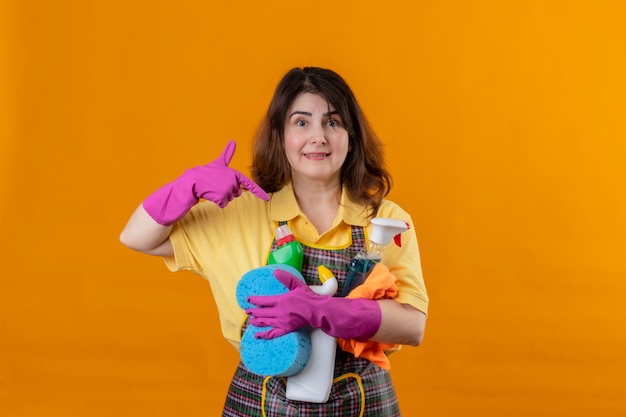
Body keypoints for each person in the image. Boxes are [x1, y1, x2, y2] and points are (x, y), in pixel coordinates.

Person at [120, 67, 428, 416]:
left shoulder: (385, 218)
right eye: (301, 122)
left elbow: (412, 325)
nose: (318, 136)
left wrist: (321, 311)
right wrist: (184, 189)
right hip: (260, 403)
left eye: (333, 122)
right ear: (280, 136)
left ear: (351, 137)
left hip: (363, 403)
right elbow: (136, 237)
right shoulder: (240, 214)